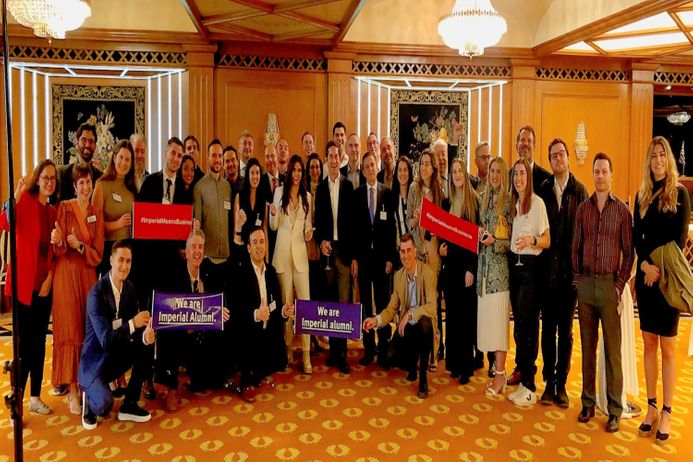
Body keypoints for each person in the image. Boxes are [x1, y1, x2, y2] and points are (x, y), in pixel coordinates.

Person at [633, 136, 691, 445]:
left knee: (668, 346)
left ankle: (668, 409)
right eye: (652, 155)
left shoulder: (679, 194)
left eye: (661, 154)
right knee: (648, 343)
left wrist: (657, 268)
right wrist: (644, 267)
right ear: (648, 161)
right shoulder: (641, 195)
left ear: (667, 159)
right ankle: (652, 406)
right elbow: (636, 239)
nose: (657, 160)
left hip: (668, 281)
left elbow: (678, 242)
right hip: (647, 280)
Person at [572, 152, 634, 433]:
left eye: (604, 171)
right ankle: (587, 403)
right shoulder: (583, 209)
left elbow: (629, 253)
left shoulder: (622, 211)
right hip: (586, 286)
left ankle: (614, 409)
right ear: (593, 175)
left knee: (613, 352)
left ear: (611, 175)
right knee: (587, 349)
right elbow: (575, 247)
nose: (599, 176)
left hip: (610, 288)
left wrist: (619, 286)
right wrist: (578, 282)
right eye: (596, 171)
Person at [1, 159, 58, 416]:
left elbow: (55, 253)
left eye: (53, 178)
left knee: (39, 343)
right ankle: (18, 399)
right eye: (45, 177)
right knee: (23, 345)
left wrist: (49, 279)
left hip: (43, 287)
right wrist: (15, 193)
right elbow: (4, 222)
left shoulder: (53, 212)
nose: (49, 182)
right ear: (38, 178)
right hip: (23, 287)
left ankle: (35, 397)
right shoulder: (24, 200)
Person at [78, 240, 155, 430]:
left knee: (147, 344)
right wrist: (133, 323)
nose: (124, 266)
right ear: (111, 261)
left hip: (115, 356)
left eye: (128, 261)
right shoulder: (96, 294)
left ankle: (129, 404)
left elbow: (131, 331)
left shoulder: (129, 288)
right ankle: (88, 396)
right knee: (104, 406)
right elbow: (105, 339)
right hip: (95, 364)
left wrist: (144, 335)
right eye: (120, 260)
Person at [536, 138, 588, 408]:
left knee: (566, 332)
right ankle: (548, 383)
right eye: (553, 156)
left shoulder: (580, 191)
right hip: (547, 274)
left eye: (561, 155)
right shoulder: (543, 190)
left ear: (568, 158)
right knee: (548, 331)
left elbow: (587, 235)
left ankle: (562, 385)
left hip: (570, 277)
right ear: (550, 161)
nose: (558, 159)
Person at [155, 230, 230, 412]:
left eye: (200, 247)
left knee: (206, 384)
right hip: (180, 335)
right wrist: (183, 323)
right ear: (186, 252)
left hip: (202, 337)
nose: (197, 251)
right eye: (193, 247)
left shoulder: (209, 269)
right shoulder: (174, 275)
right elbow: (164, 310)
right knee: (166, 334)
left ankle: (203, 373)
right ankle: (171, 386)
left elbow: (222, 295)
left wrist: (222, 309)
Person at [51, 163, 104, 415]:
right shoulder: (64, 208)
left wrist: (81, 246)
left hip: (88, 275)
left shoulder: (96, 212)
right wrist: (61, 241)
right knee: (71, 327)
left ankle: (86, 384)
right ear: (74, 186)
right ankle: (72, 390)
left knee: (87, 329)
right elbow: (58, 246)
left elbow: (99, 252)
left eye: (88, 182)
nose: (85, 187)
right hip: (66, 275)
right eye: (80, 183)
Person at [363, 234, 436, 399]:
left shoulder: (428, 273)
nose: (405, 255)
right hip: (406, 329)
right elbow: (391, 309)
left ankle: (423, 378)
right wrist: (375, 320)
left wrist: (410, 314)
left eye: (409, 250)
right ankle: (411, 363)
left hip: (423, 327)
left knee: (424, 323)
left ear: (415, 251)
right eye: (402, 251)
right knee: (388, 358)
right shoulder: (398, 276)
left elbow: (432, 308)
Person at [507, 125, 551, 387]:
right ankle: (522, 369)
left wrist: (533, 240)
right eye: (516, 174)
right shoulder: (512, 202)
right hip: (515, 265)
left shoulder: (538, 199)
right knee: (520, 322)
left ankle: (530, 376)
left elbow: (546, 238)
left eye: (523, 174)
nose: (519, 178)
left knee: (529, 322)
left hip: (534, 266)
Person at [233, 227, 293, 402]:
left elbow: (277, 305)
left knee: (280, 361)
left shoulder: (272, 272)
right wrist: (255, 315)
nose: (259, 246)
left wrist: (284, 311)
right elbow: (237, 309)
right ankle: (246, 381)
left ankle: (258, 370)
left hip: (267, 331)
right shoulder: (241, 273)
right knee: (248, 349)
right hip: (248, 331)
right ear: (249, 248)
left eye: (262, 242)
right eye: (255, 242)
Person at [314, 141, 355, 374]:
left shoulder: (348, 186)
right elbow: (318, 221)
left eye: (336, 155)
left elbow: (353, 222)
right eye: (329, 155)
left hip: (345, 253)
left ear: (340, 159)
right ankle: (332, 352)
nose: (333, 159)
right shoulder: (320, 188)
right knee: (330, 304)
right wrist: (321, 242)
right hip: (328, 253)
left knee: (344, 304)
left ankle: (343, 354)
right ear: (326, 159)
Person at [269, 155, 313, 374]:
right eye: (294, 170)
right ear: (289, 173)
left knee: (304, 306)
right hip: (283, 257)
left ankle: (305, 353)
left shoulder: (308, 198)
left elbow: (308, 228)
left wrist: (308, 232)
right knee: (286, 306)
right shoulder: (279, 193)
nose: (296, 174)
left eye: (299, 171)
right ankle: (287, 350)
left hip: (301, 258)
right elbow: (274, 226)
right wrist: (273, 214)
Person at [353, 151, 397, 367]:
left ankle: (385, 347)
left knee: (383, 303)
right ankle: (369, 348)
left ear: (377, 166)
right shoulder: (357, 194)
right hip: (363, 259)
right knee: (365, 305)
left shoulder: (387, 194)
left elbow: (391, 229)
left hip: (382, 259)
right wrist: (354, 258)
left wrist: (390, 257)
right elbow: (352, 230)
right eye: (366, 166)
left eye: (373, 165)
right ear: (362, 170)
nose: (370, 169)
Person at [439, 158, 478, 384]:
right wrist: (442, 248)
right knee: (452, 316)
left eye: (459, 171)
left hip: (465, 268)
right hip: (450, 266)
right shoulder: (446, 202)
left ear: (465, 173)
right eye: (453, 172)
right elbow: (444, 234)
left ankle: (466, 366)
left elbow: (474, 240)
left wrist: (470, 269)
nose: (456, 175)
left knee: (465, 317)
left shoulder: (473, 201)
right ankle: (453, 363)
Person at [476, 157, 512, 396]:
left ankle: (500, 375)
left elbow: (511, 241)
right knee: (490, 323)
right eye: (492, 171)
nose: (495, 175)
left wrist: (494, 242)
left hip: (500, 274)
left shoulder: (509, 202)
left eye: (499, 171)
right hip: (484, 273)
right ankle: (498, 373)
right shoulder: (484, 199)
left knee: (499, 326)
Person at [406, 149, 443, 366]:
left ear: (434, 167)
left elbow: (445, 223)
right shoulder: (414, 189)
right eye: (421, 164)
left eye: (428, 164)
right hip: (418, 252)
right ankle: (418, 352)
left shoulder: (440, 190)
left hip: (435, 252)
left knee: (432, 301)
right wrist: (416, 218)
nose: (424, 168)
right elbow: (408, 220)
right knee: (417, 301)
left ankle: (433, 353)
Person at [92, 140, 137, 276]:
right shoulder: (101, 185)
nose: (123, 163)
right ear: (114, 157)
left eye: (127, 159)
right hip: (109, 250)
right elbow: (94, 224)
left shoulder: (132, 188)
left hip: (129, 248)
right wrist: (118, 224)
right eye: (121, 157)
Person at [193, 139, 232, 263]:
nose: (217, 159)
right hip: (207, 257)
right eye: (214, 155)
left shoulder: (227, 187)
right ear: (208, 158)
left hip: (226, 256)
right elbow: (197, 226)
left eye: (220, 156)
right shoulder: (199, 187)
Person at [233, 158, 267, 263]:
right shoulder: (240, 196)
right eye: (252, 173)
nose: (255, 176)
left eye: (257, 173)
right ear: (247, 175)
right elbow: (235, 229)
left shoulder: (263, 200)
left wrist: (267, 260)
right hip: (242, 249)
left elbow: (264, 229)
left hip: (258, 252)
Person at [58, 123, 102, 201]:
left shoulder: (100, 177)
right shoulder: (63, 173)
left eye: (91, 141)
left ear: (95, 147)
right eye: (84, 140)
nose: (87, 145)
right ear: (77, 143)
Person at [393, 156, 413, 244]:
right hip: (399, 250)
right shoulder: (392, 198)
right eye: (400, 170)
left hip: (415, 250)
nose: (402, 173)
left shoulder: (415, 196)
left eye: (405, 170)